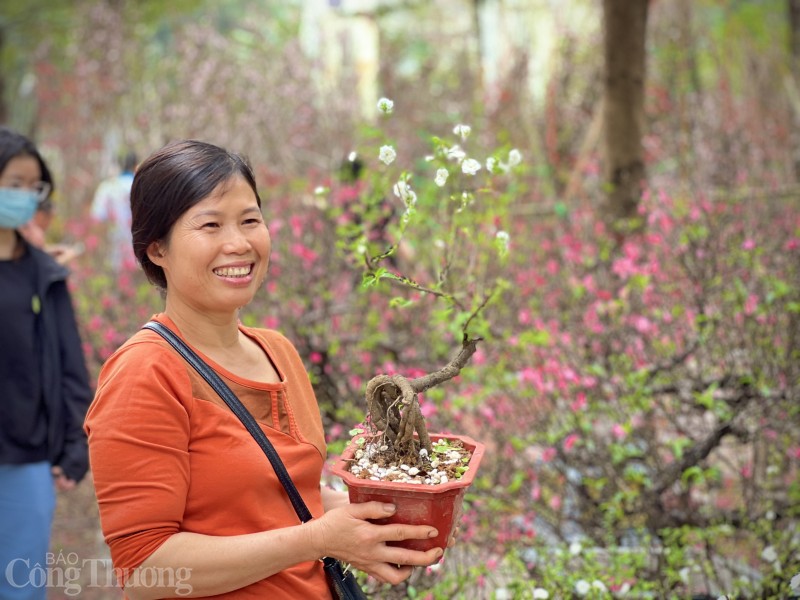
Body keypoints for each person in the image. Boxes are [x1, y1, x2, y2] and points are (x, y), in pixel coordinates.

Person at [84, 139, 445, 599]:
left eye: (250, 220)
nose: (239, 244)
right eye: (210, 225)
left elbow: (287, 498)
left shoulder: (278, 352)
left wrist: (383, 523)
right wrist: (318, 539)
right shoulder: (144, 373)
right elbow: (144, 570)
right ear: (157, 248)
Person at [0, 127, 92, 599]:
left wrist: (75, 450)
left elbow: (71, 369)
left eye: (33, 187)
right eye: (13, 183)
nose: (24, 196)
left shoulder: (44, 275)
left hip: (26, 459)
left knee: (19, 585)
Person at [90, 149, 136, 271]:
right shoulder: (141, 184)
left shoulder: (107, 187)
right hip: (142, 247)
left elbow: (97, 217)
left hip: (114, 246)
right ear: (135, 165)